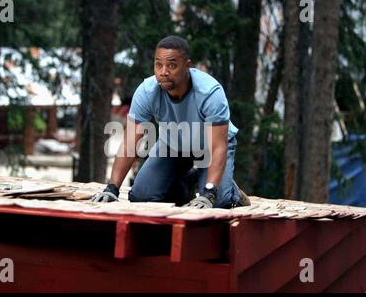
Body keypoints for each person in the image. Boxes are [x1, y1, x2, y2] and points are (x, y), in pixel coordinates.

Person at [92, 35, 250, 209]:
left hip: (211, 147)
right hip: (173, 143)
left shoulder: (210, 92)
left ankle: (230, 191)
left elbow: (218, 147)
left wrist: (208, 193)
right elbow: (130, 143)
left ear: (187, 66)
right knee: (141, 195)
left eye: (172, 65)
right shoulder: (146, 91)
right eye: (158, 65)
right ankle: (188, 183)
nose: (163, 71)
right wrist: (112, 188)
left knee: (218, 201)